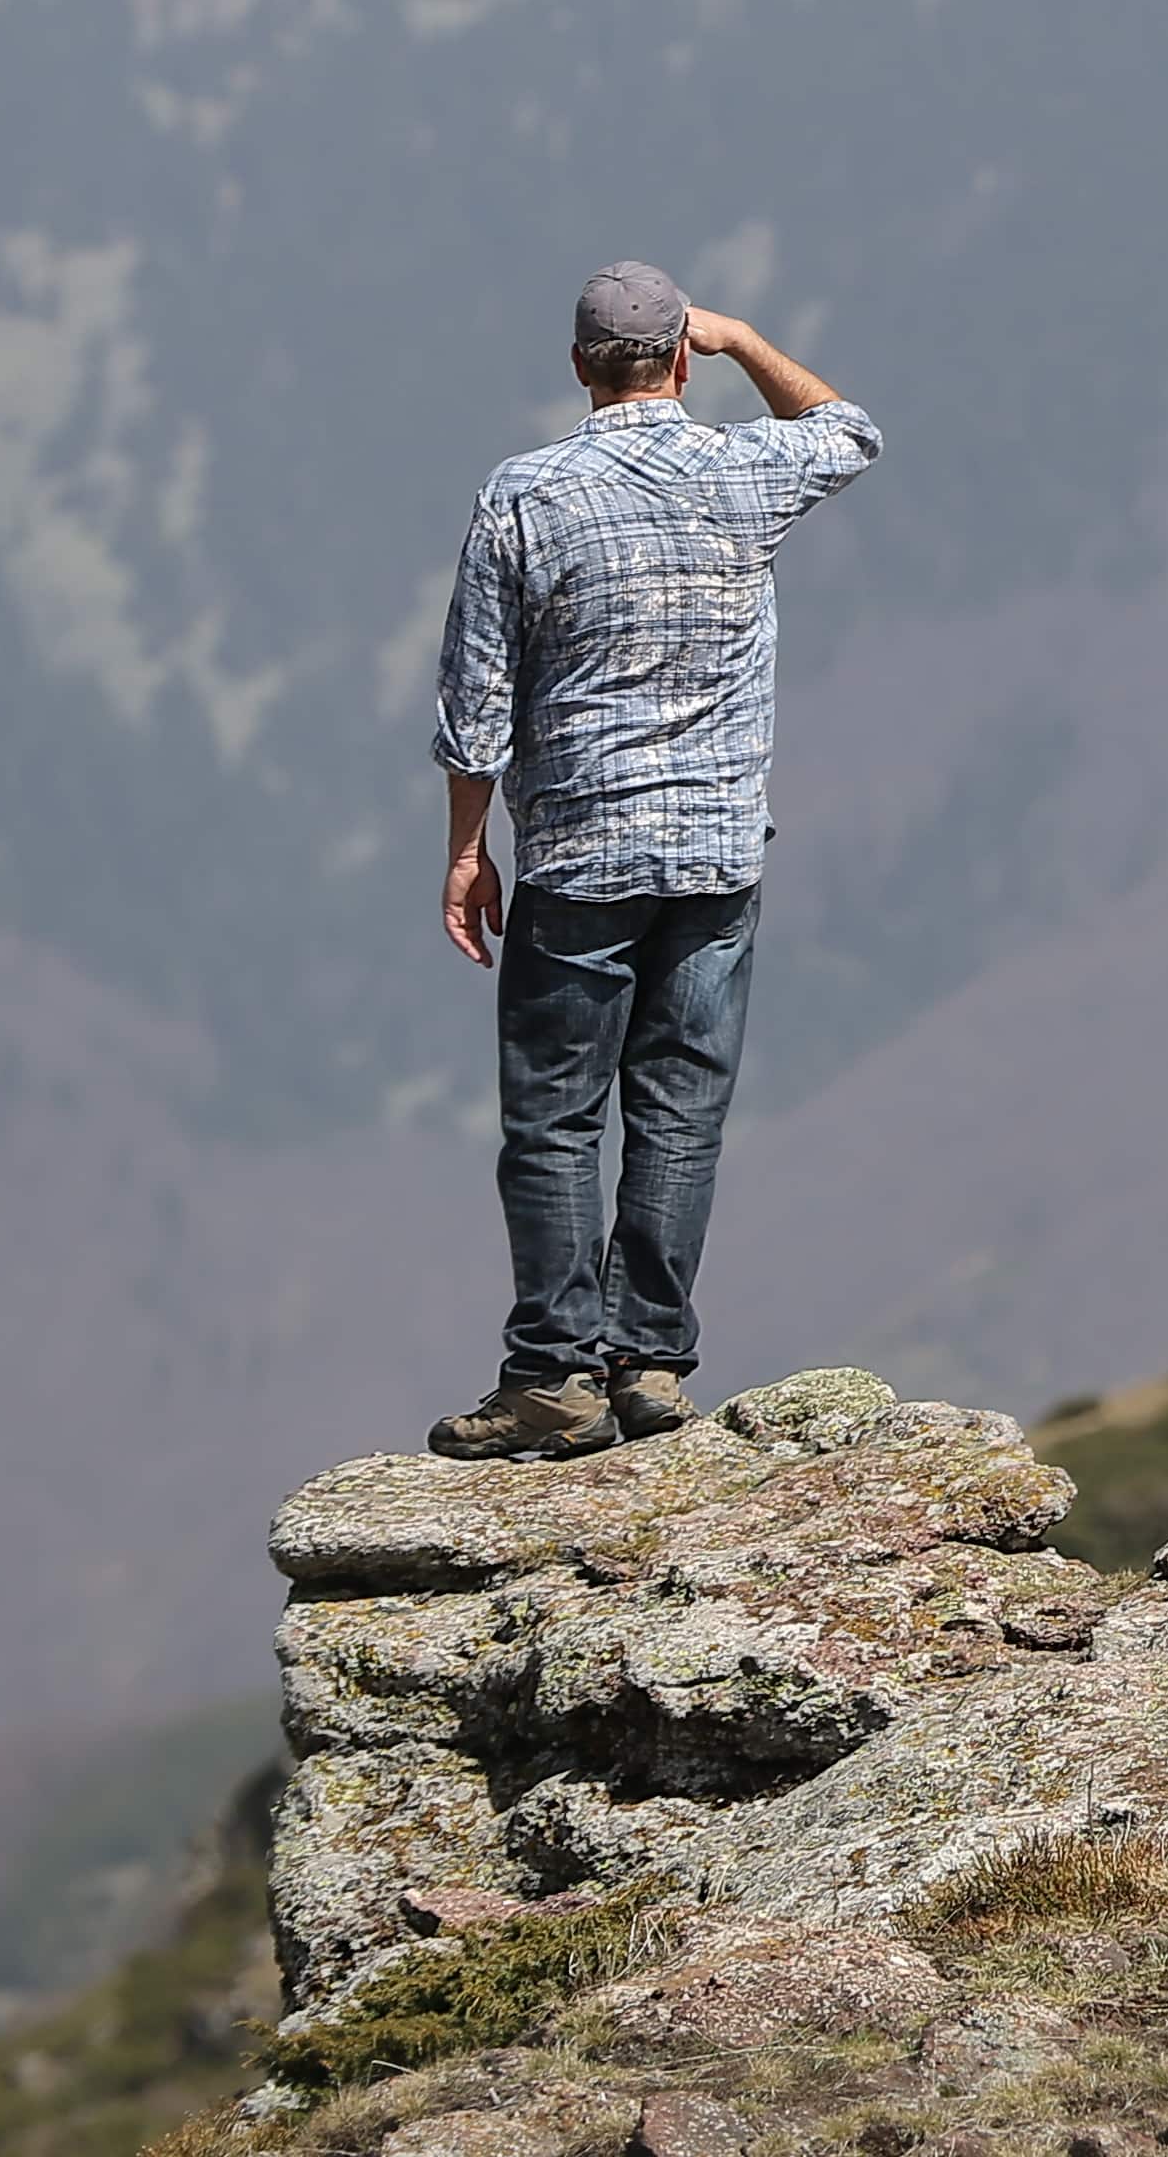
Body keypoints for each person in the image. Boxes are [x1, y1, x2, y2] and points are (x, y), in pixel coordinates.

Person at [422, 260, 883, 1459]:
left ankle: (552, 1376)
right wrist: (746, 340)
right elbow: (850, 427)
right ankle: (650, 1365)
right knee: (680, 1114)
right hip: (720, 852)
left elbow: (477, 703)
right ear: (683, 358)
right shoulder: (747, 471)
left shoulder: (524, 496)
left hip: (581, 852)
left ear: (579, 366)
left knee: (556, 1119)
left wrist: (469, 852)